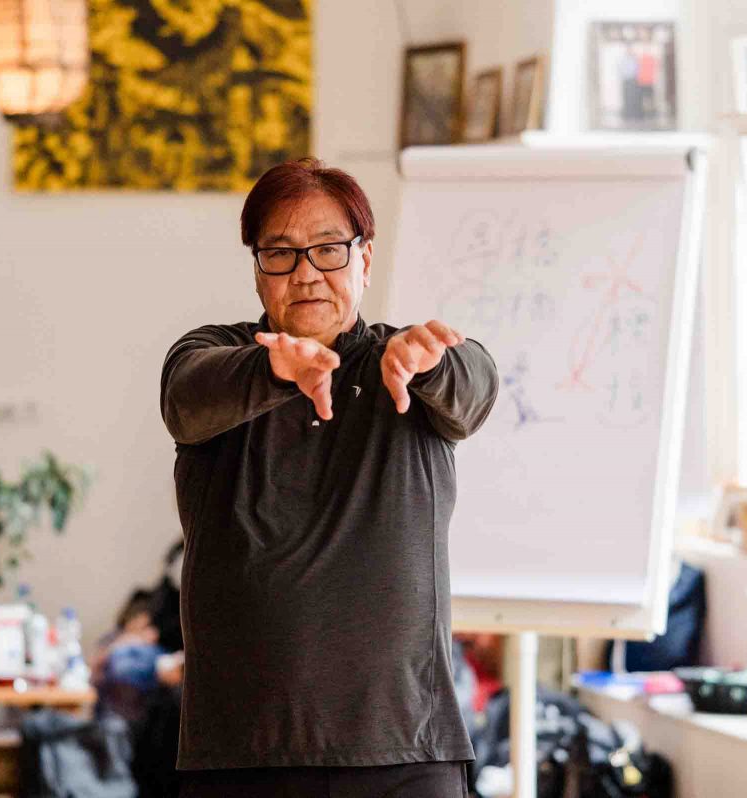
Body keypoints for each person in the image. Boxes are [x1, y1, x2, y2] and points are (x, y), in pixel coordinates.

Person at [159, 157, 499, 798]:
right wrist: (277, 370)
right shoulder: (215, 358)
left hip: (405, 751)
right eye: (280, 253)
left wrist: (429, 366)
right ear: (257, 270)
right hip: (240, 755)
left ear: (364, 260)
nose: (306, 272)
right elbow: (186, 395)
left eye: (328, 249)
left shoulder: (406, 362)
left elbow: (476, 385)